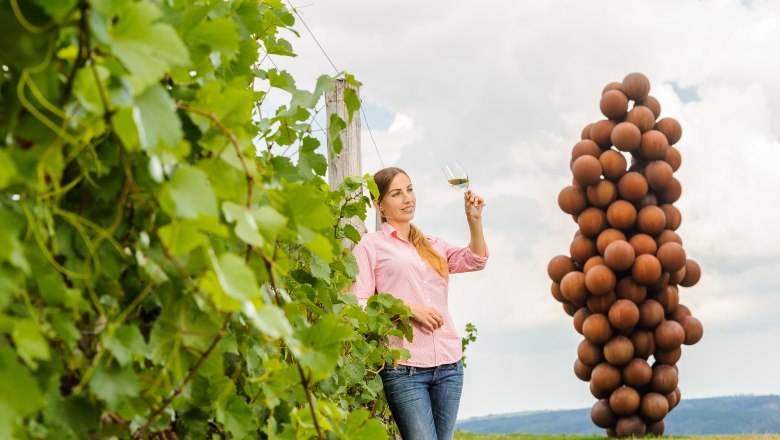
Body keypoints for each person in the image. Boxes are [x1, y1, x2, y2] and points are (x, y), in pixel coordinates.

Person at [350, 166, 488, 440]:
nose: (407, 199)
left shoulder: (433, 244)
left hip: (449, 366)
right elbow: (358, 305)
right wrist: (407, 309)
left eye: (410, 190)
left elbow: (476, 260)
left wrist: (474, 220)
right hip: (406, 370)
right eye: (397, 194)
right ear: (379, 204)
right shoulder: (370, 245)